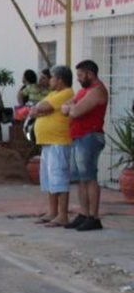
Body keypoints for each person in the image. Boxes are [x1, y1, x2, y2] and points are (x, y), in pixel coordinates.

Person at [62, 60, 108, 231]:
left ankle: (93, 216)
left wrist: (71, 107)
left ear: (90, 74)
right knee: (81, 179)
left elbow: (74, 111)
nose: (79, 79)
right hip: (78, 136)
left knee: (89, 178)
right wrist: (71, 106)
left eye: (81, 75)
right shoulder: (84, 91)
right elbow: (66, 105)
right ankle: (84, 213)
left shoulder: (97, 91)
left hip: (90, 136)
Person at [30, 65, 74, 226]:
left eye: (52, 77)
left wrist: (40, 110)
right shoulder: (53, 93)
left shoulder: (66, 93)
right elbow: (36, 109)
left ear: (60, 80)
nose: (50, 80)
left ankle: (63, 214)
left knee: (59, 178)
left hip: (59, 142)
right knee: (49, 180)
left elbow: (43, 107)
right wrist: (39, 110)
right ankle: (52, 211)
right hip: (48, 142)